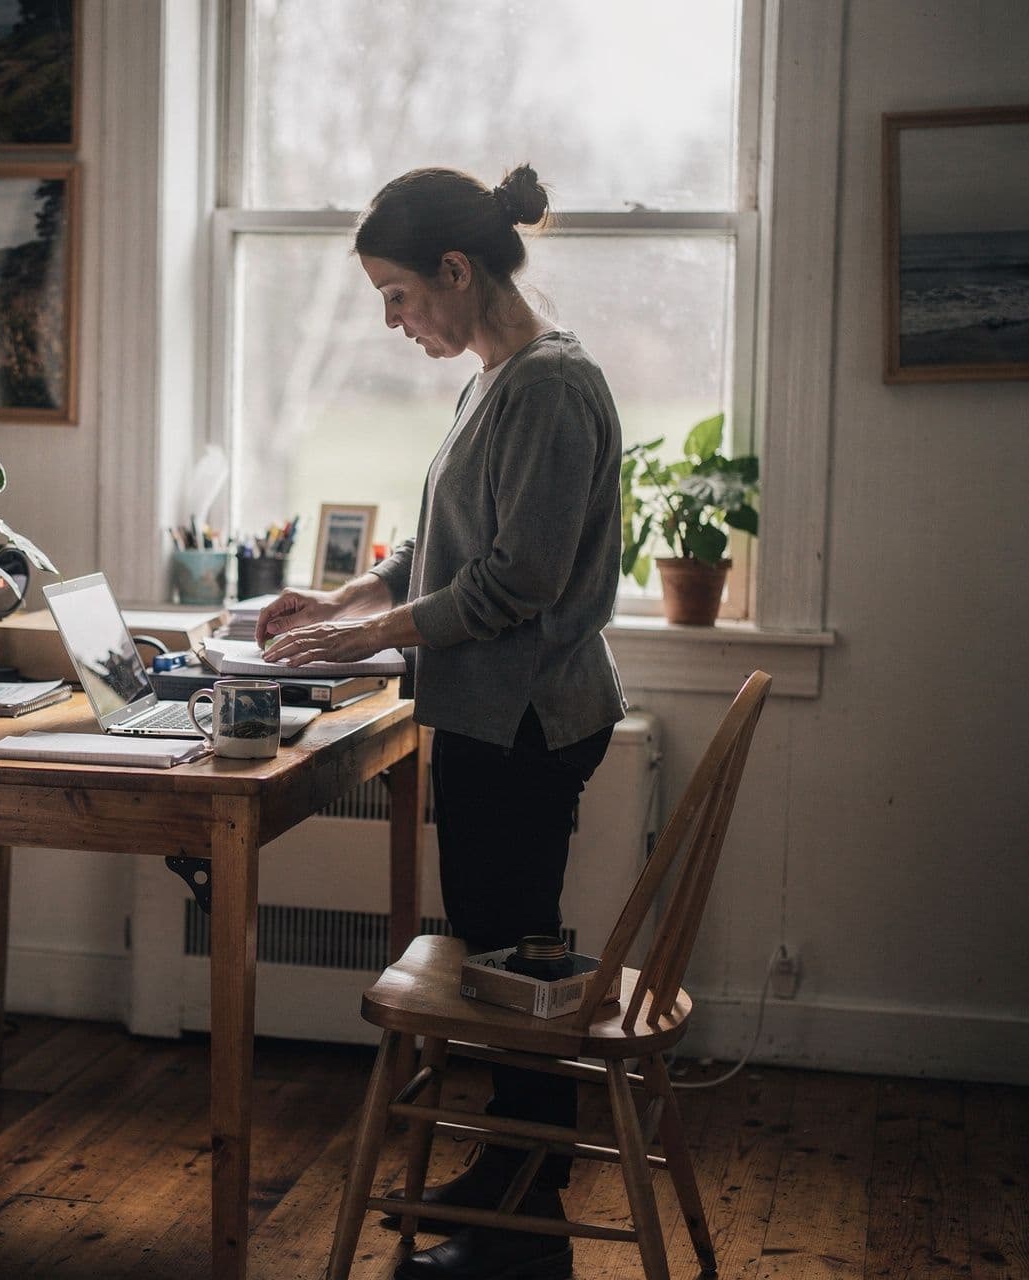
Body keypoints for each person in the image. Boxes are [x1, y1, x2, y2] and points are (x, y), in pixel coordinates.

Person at [257, 164, 626, 1280]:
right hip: (489, 712)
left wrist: (372, 639)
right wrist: (341, 602)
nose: (392, 321)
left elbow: (515, 580)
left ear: (457, 271)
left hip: (523, 719)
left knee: (513, 962)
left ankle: (525, 1219)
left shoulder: (550, 389)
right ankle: (514, 1173)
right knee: (498, 949)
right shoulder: (495, 379)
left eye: (399, 294)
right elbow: (445, 555)